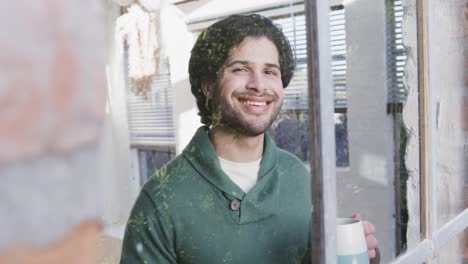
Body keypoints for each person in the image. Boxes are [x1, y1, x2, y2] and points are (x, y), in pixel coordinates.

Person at [120, 14, 378, 263]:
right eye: (240, 69)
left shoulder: (297, 175)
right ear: (209, 85)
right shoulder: (160, 200)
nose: (258, 85)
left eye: (269, 72)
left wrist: (354, 254)